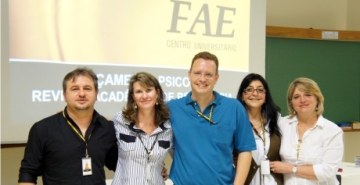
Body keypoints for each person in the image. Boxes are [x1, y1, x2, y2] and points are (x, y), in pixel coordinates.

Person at [167, 51, 256, 185]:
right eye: (197, 73)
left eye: (208, 74)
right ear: (189, 75)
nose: (202, 79)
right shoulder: (172, 108)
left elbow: (245, 151)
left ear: (216, 78)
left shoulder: (234, 108)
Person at [18, 67, 118, 185]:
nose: (82, 93)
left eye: (87, 88)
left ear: (97, 94)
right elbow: (28, 173)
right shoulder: (42, 129)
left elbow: (121, 166)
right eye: (75, 89)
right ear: (65, 95)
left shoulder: (107, 128)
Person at [270, 77, 344, 185]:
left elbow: (328, 171)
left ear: (317, 98)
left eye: (308, 95)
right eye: (296, 97)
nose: (302, 100)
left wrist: (291, 169)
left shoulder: (332, 131)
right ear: (291, 103)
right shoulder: (282, 124)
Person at [111, 72, 172, 185]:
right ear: (133, 96)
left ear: (157, 93)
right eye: (139, 91)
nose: (144, 96)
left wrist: (161, 167)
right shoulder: (120, 120)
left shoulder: (169, 127)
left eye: (148, 90)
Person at [236, 73, 283, 185]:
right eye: (249, 89)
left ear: (266, 96)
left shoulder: (277, 120)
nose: (255, 93)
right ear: (242, 95)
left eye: (260, 90)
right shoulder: (234, 122)